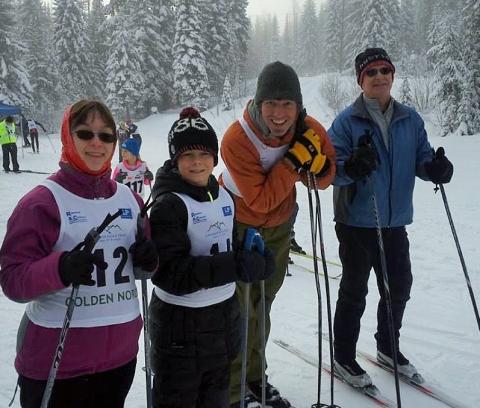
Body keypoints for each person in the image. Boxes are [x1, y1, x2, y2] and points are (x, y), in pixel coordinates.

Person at [0, 100, 158, 408]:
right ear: (68, 137)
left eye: (106, 136)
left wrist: (148, 260)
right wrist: (60, 268)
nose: (97, 143)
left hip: (119, 360)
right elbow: (12, 280)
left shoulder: (131, 200)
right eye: (85, 134)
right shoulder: (42, 202)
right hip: (57, 366)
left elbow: (143, 269)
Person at [328, 48, 454, 388]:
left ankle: (387, 347)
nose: (380, 76)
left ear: (392, 75)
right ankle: (343, 357)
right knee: (354, 290)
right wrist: (351, 167)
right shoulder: (346, 121)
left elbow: (422, 159)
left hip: (395, 220)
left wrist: (436, 169)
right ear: (360, 80)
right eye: (371, 72)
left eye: (385, 70)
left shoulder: (409, 119)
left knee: (399, 286)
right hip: (356, 220)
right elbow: (330, 171)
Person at [220, 61, 336, 407]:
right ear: (257, 103)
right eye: (271, 103)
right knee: (240, 308)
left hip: (280, 226)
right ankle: (233, 389)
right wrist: (293, 165)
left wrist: (316, 167)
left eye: (287, 104)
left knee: (263, 304)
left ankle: (255, 378)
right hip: (239, 224)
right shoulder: (237, 138)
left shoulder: (308, 126)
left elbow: (328, 174)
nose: (279, 113)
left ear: (298, 106)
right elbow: (259, 202)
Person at [148, 107, 275, 408]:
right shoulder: (169, 205)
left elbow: (230, 246)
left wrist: (259, 259)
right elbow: (171, 275)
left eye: (204, 154)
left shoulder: (222, 196)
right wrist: (235, 265)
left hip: (221, 326)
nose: (197, 162)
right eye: (187, 155)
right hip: (180, 331)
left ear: (214, 158)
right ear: (174, 158)